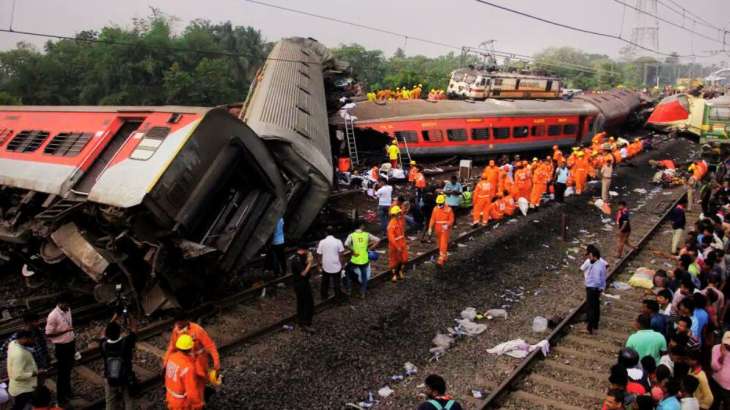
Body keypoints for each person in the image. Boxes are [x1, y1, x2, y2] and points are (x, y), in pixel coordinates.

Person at [164, 312, 221, 398]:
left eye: (180, 324)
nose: (178, 326)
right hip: (185, 361)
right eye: (177, 323)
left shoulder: (197, 330)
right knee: (189, 382)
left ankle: (200, 399)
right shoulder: (176, 330)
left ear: (186, 321)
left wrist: (216, 361)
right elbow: (172, 346)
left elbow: (210, 346)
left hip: (199, 361)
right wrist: (166, 361)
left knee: (200, 381)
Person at [101, 317, 137, 410]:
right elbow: (134, 330)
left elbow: (103, 334)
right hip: (125, 377)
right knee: (129, 399)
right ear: (119, 332)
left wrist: (112, 320)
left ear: (107, 334)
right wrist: (131, 317)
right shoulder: (127, 342)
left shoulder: (103, 344)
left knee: (110, 401)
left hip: (110, 377)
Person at [45, 294, 75, 405]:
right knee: (62, 373)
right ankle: (61, 397)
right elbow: (48, 334)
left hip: (70, 344)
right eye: (67, 304)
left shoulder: (68, 309)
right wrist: (65, 331)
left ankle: (68, 392)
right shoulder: (53, 316)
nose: (69, 306)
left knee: (68, 370)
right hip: (62, 347)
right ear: (60, 303)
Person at [164, 334, 203, 410]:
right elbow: (191, 392)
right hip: (181, 403)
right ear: (191, 348)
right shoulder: (188, 368)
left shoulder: (172, 357)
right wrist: (198, 405)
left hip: (170, 396)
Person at [345, 224, 380, 297]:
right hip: (364, 260)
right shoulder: (367, 234)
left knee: (347, 271)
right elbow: (378, 240)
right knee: (364, 277)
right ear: (361, 227)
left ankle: (349, 290)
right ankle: (363, 293)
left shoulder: (351, 235)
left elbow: (346, 244)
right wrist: (370, 249)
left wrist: (352, 250)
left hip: (355, 260)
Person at [7, 330, 37, 410]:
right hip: (23, 389)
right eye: (31, 339)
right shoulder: (19, 354)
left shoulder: (13, 343)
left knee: (19, 405)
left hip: (19, 386)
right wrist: (33, 374)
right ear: (23, 338)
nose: (33, 341)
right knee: (21, 406)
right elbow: (18, 375)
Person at [581, 245, 607, 334]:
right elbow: (603, 277)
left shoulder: (596, 266)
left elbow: (597, 280)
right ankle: (595, 325)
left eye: (589, 255)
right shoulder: (601, 263)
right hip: (597, 289)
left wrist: (595, 286)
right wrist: (602, 288)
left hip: (592, 288)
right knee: (596, 307)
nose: (588, 257)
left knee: (591, 308)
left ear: (592, 255)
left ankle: (589, 328)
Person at [290, 244, 315, 332]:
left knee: (301, 302)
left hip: (300, 283)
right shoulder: (296, 260)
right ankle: (305, 323)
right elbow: (303, 273)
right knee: (308, 303)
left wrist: (308, 259)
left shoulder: (299, 257)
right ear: (303, 250)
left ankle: (300, 319)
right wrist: (310, 263)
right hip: (301, 284)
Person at [317, 228, 345, 301]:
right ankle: (338, 299)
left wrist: (319, 265)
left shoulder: (322, 242)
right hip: (336, 266)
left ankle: (324, 296)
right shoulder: (338, 241)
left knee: (325, 282)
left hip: (325, 266)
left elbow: (319, 255)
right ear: (334, 233)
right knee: (337, 283)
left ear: (326, 233)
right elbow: (341, 255)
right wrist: (342, 265)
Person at [429, 194, 455, 268]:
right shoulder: (435, 209)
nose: (439, 205)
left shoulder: (449, 209)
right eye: (438, 204)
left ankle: (441, 259)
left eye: (440, 204)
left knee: (443, 243)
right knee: (440, 242)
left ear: (443, 202)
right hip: (438, 228)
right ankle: (444, 256)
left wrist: (447, 225)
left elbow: (451, 219)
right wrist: (430, 227)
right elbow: (432, 219)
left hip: (445, 228)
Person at [387, 206, 408, 282]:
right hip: (395, 245)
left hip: (402, 242)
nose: (399, 214)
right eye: (398, 213)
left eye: (399, 213)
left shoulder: (399, 220)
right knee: (394, 260)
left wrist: (403, 210)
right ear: (394, 214)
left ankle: (399, 271)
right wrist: (397, 246)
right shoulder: (391, 225)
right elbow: (391, 238)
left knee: (404, 259)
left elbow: (403, 216)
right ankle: (394, 275)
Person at [711, 332, 730, 410]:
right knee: (714, 403)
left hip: (728, 388)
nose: (728, 345)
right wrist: (722, 356)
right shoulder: (716, 348)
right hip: (716, 383)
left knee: (727, 405)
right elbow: (714, 367)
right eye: (726, 343)